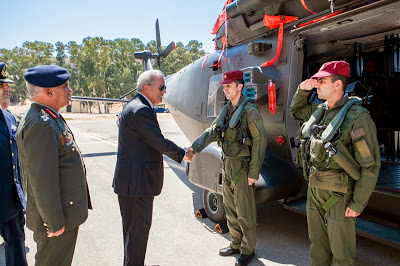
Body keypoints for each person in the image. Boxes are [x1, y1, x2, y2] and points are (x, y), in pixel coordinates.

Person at [289, 61, 380, 265]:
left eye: (322, 81)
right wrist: (303, 89)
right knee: (318, 247)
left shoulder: (357, 118)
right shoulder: (319, 111)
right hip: (315, 190)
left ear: (338, 85)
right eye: (317, 81)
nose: (317, 84)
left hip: (339, 194)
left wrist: (357, 203)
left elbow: (370, 165)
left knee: (341, 252)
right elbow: (295, 111)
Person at [185, 70, 266, 266]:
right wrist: (194, 148)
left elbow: (260, 141)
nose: (225, 88)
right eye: (224, 86)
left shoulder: (249, 111)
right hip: (228, 164)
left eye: (228, 86)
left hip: (243, 167)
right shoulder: (228, 109)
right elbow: (213, 130)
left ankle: (248, 250)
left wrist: (254, 172)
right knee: (230, 207)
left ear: (240, 87)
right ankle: (236, 243)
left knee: (244, 210)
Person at [16, 65, 92, 266]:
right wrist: (54, 220)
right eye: (65, 86)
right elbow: (42, 179)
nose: (70, 90)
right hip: (57, 221)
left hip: (63, 215)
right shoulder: (41, 124)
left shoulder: (48, 116)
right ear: (48, 92)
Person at [113, 69, 186, 266]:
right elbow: (158, 142)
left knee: (132, 233)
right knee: (138, 231)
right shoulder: (141, 110)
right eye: (161, 87)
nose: (164, 92)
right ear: (147, 87)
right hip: (137, 185)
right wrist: (184, 153)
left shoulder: (136, 106)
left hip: (132, 182)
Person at [0, 62, 28, 266]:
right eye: (3, 86)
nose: (8, 90)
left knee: (17, 248)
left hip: (10, 198)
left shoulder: (10, 118)